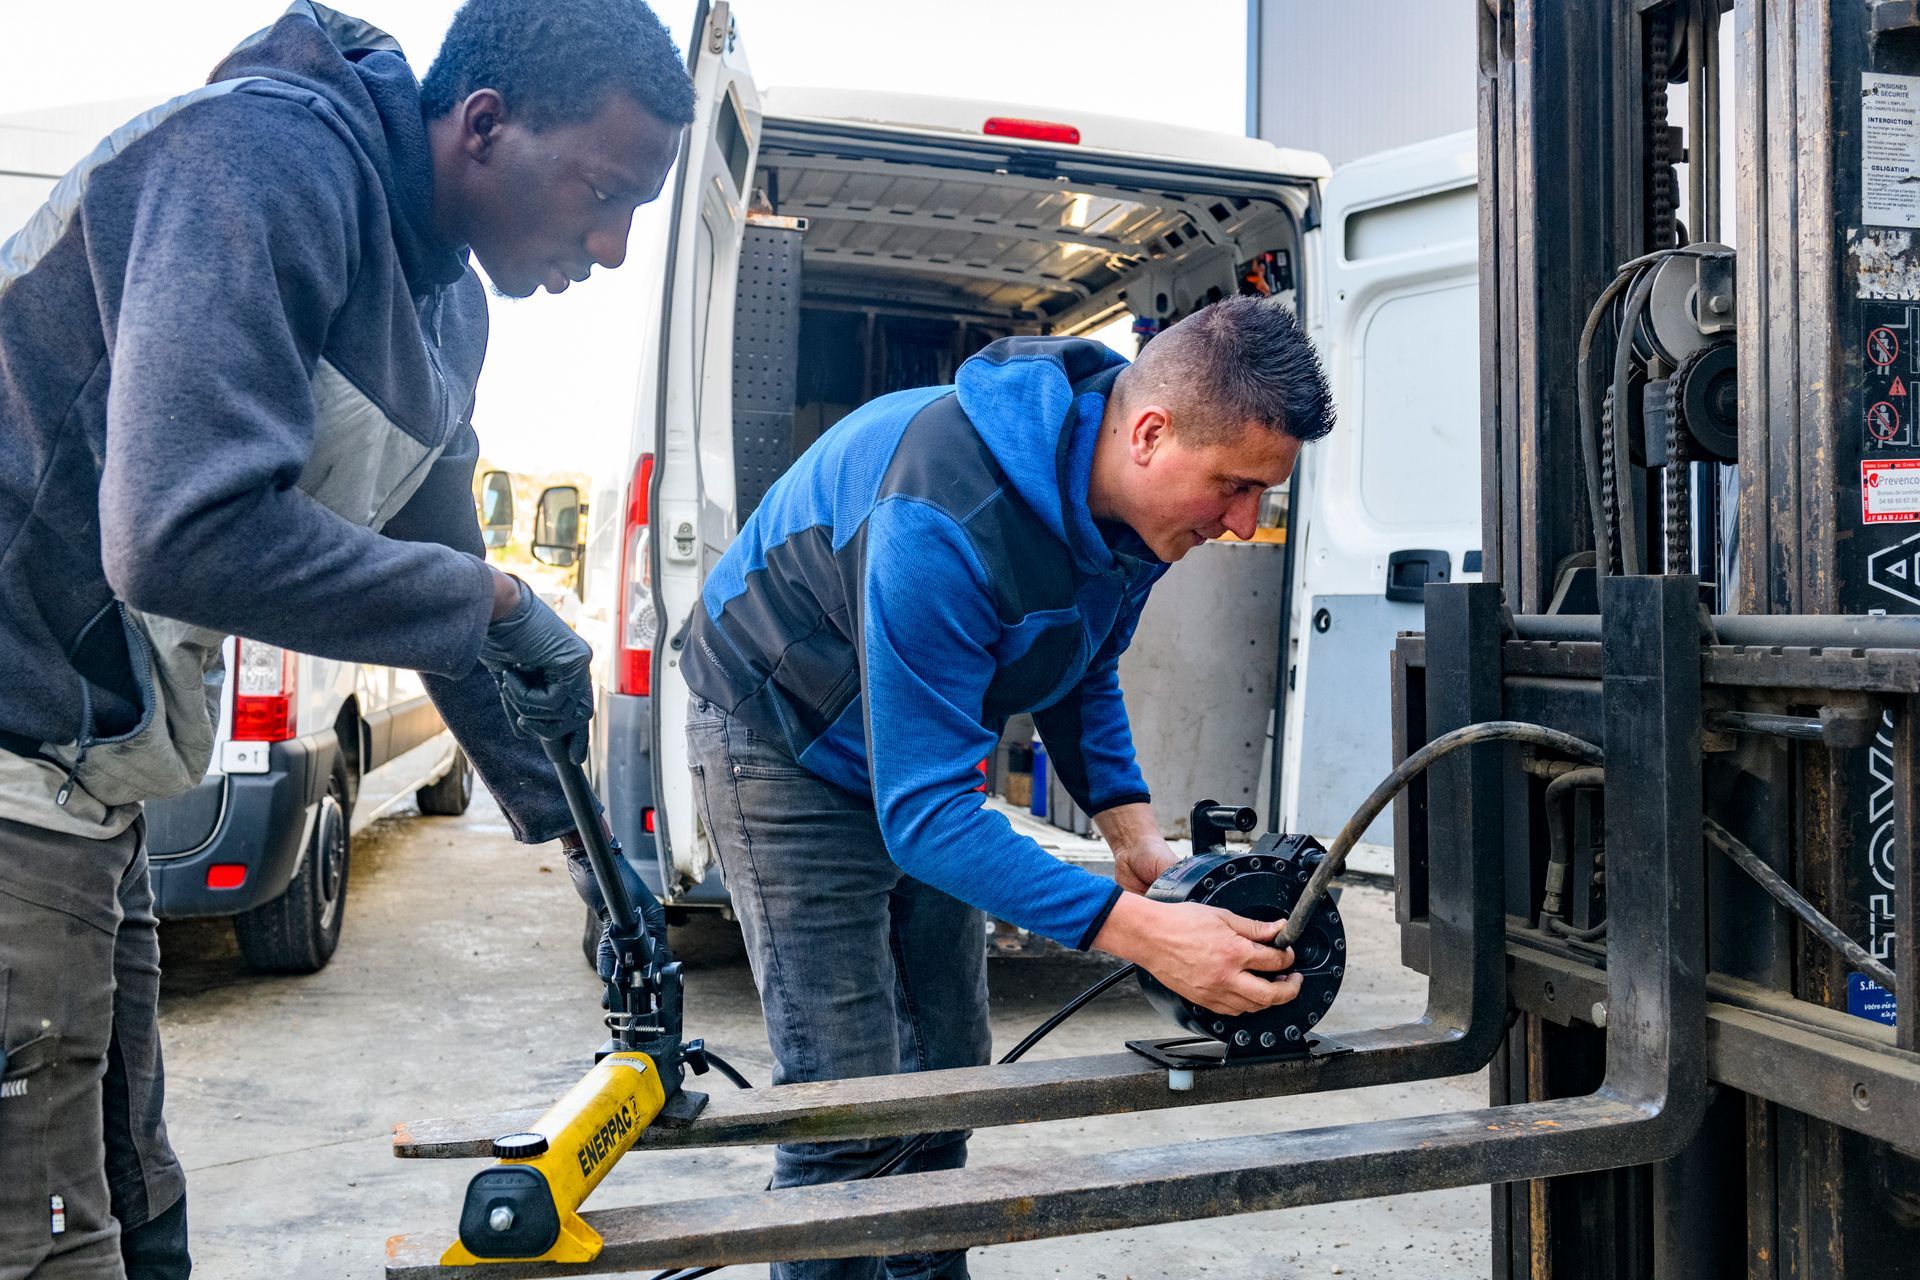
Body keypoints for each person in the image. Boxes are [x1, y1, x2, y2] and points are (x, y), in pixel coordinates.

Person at [0, 2, 692, 1276]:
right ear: (483, 125)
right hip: (12, 745)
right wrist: (492, 602)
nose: (610, 245)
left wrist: (589, 852)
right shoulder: (256, 163)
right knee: (42, 1229)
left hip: (94, 774)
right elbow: (178, 531)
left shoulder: (447, 314)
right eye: (605, 193)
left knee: (135, 1181)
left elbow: (443, 574)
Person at [683, 295, 1337, 1280]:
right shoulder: (942, 511)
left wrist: (1134, 839)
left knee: (949, 1068)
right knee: (844, 1101)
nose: (1244, 523)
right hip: (784, 741)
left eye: (1262, 496)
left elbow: (1083, 660)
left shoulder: (1135, 510)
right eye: (1235, 487)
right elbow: (925, 817)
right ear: (1151, 433)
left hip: (915, 753)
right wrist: (1148, 933)